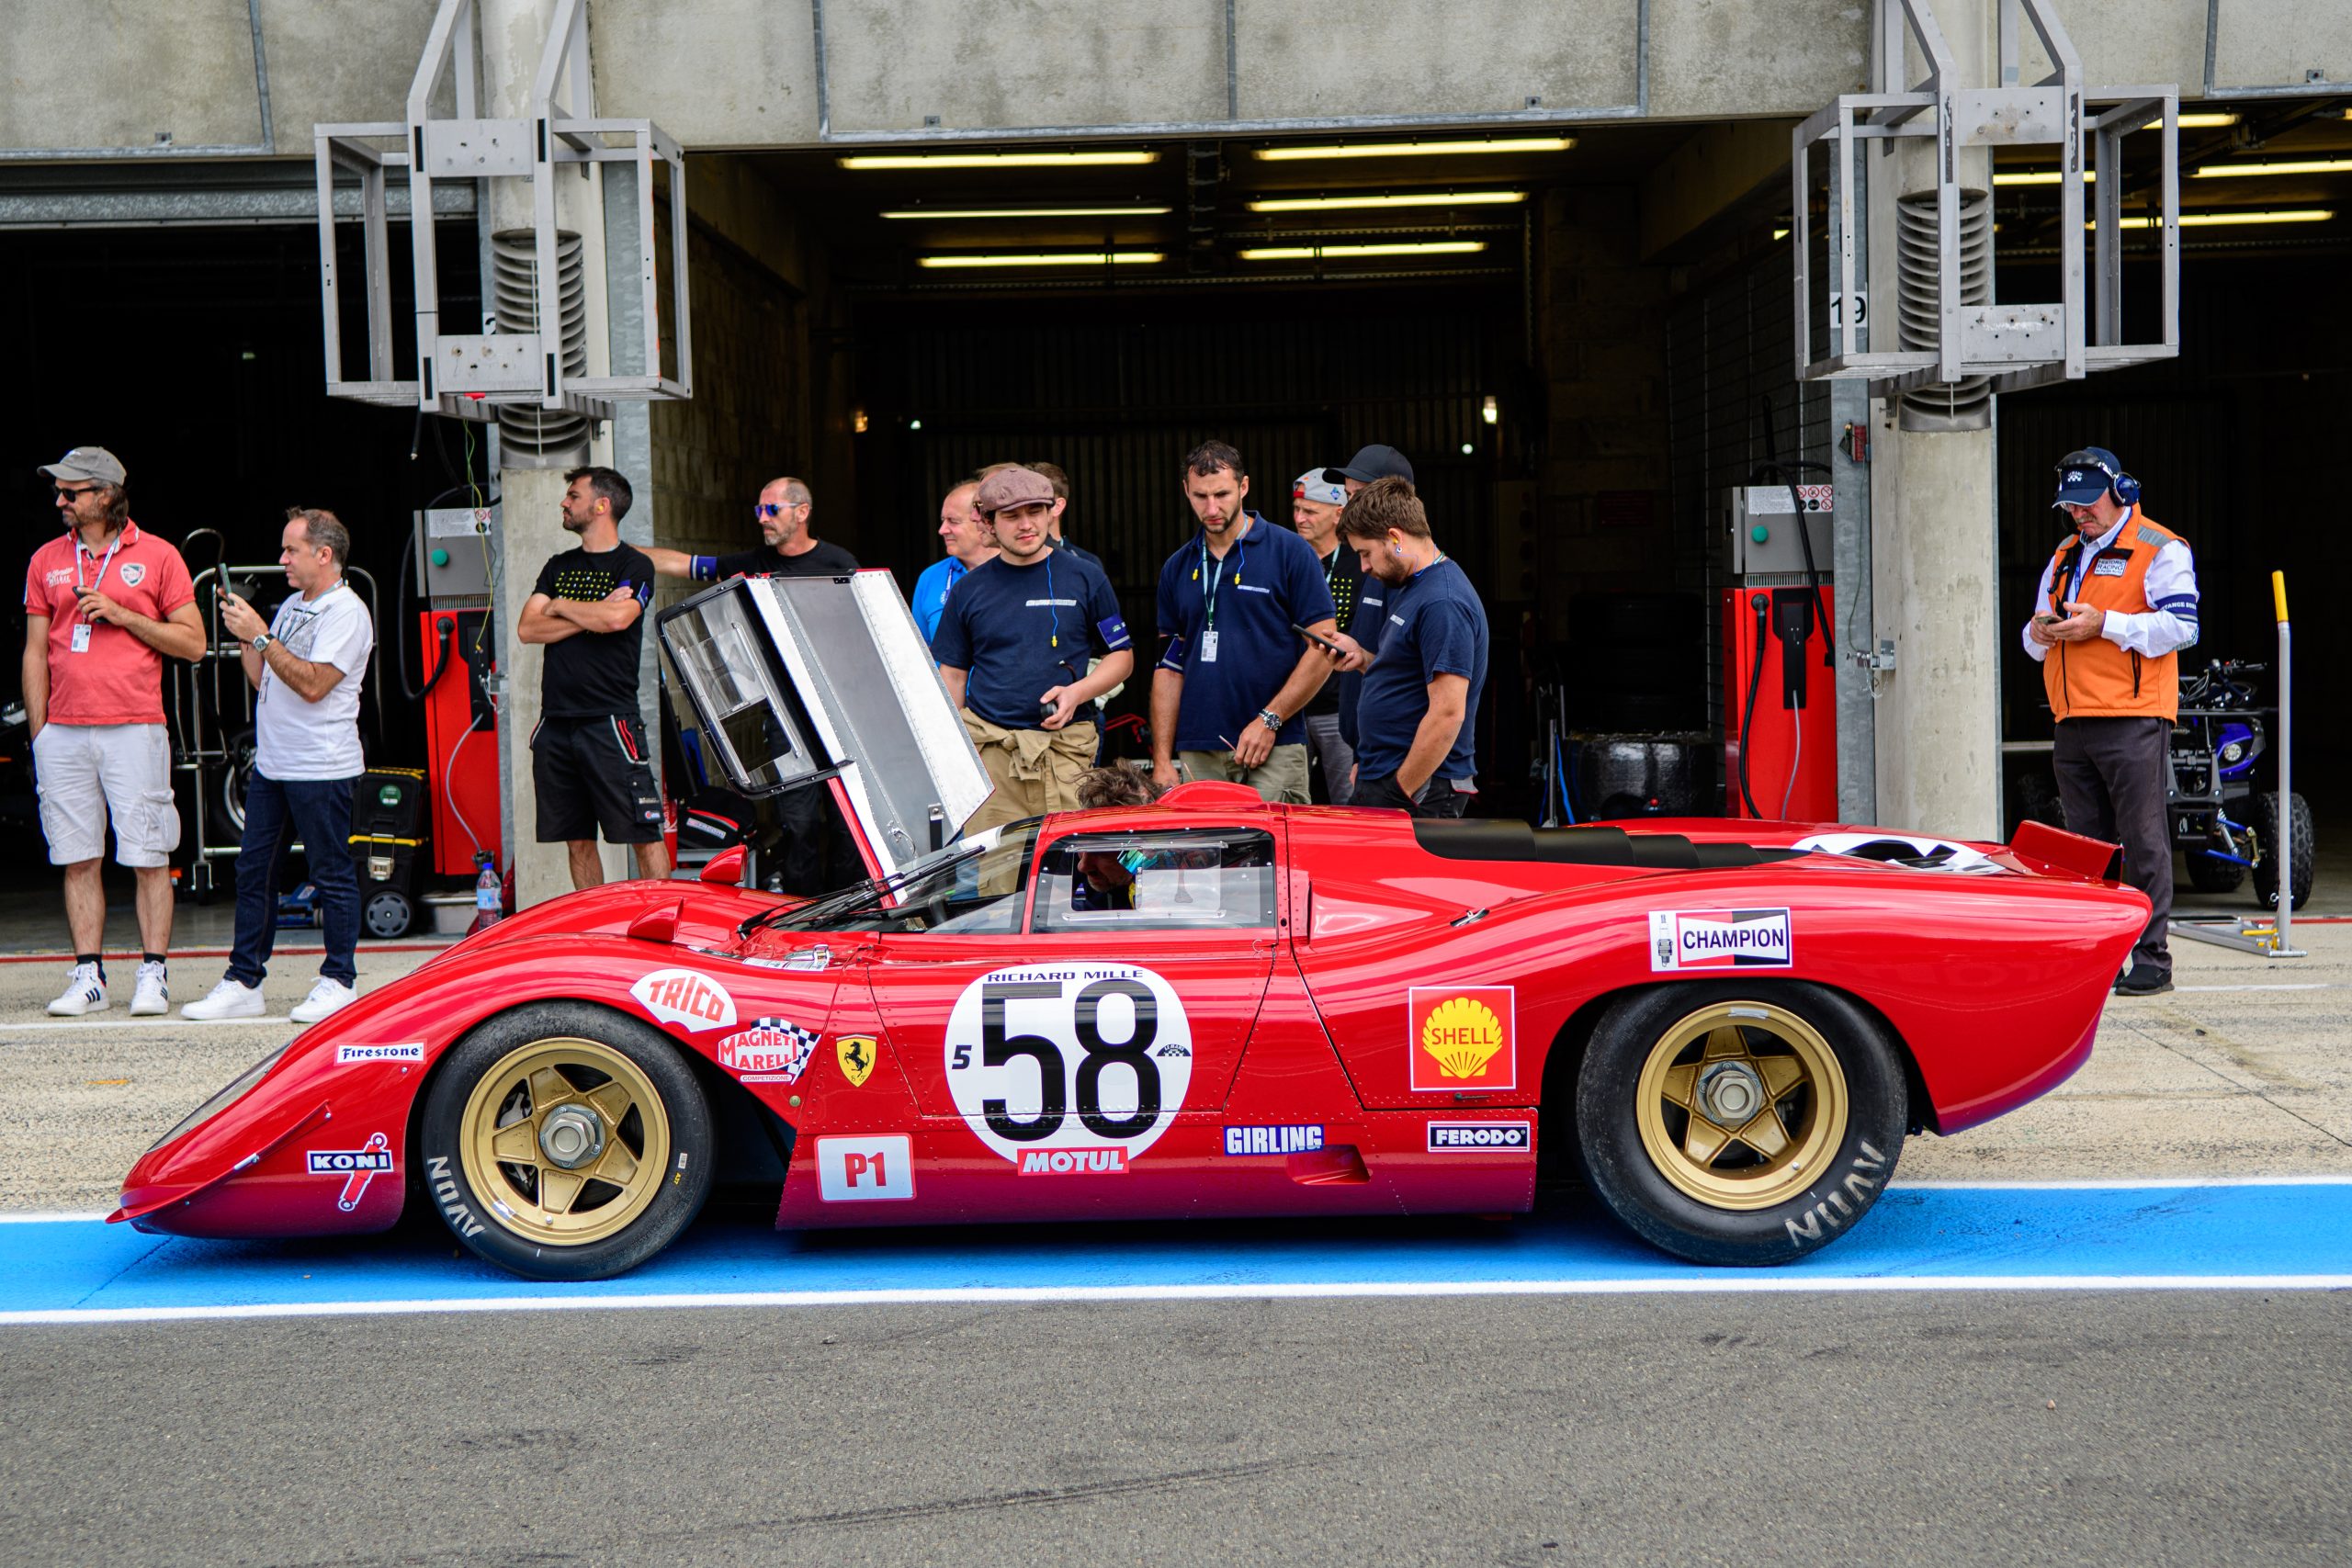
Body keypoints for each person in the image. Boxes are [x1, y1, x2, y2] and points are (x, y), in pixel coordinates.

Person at [23, 446, 204, 1016]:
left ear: (105, 494)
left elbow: (194, 644)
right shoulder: (45, 559)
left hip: (134, 726)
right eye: (59, 492)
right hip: (65, 732)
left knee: (149, 852)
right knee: (77, 855)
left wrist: (124, 614)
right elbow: (34, 651)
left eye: (71, 492)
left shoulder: (158, 556)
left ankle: (153, 974)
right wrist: (39, 732)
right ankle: (89, 976)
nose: (60, 501)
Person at [184, 509, 376, 1022]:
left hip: (324, 766)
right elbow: (266, 680)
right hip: (274, 763)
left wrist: (263, 636)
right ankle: (244, 980)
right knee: (252, 871)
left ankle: (339, 979)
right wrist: (249, 637)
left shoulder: (348, 612)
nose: (282, 559)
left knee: (331, 873)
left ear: (324, 555)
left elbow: (313, 685)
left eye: (291, 550)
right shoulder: (293, 603)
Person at [2023, 446, 2199, 997]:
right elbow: (2030, 644)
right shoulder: (2064, 555)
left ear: (2121, 492)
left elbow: (2182, 628)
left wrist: (2105, 625)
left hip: (2132, 717)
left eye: (2087, 503)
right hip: (2071, 720)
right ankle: (2095, 959)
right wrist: (2041, 632)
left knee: (2143, 840)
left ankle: (2151, 960)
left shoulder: (2160, 547)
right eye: (2070, 507)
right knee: (2084, 849)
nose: (2079, 514)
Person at [933, 466, 1134, 834]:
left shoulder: (1085, 576)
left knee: (1068, 869)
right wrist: (957, 752)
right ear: (989, 523)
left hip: (1066, 754)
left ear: (1050, 511)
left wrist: (1078, 692)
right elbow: (953, 673)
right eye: (1012, 516)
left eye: (1035, 512)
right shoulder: (968, 590)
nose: (1026, 525)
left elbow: (1121, 657)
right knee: (998, 878)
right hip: (992, 753)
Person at [1149, 442, 1338, 803]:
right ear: (1186, 491)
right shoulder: (1177, 566)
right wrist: (1162, 758)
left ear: (1244, 487)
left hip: (1275, 743)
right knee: (1204, 856)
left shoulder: (1290, 551)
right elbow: (1168, 667)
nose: (1212, 508)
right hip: (1199, 748)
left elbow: (1323, 648)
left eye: (1222, 494)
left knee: (1275, 855)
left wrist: (1271, 719)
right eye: (1201, 496)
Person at [518, 467, 669, 890]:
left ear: (601, 506)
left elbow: (620, 618)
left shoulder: (634, 565)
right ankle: (597, 930)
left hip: (611, 722)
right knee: (577, 840)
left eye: (573, 495)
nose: (564, 503)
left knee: (641, 832)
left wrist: (560, 607)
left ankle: (663, 919)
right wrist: (593, 611)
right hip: (556, 724)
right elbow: (528, 629)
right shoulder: (559, 565)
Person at [1325, 477, 1488, 818]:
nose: (1364, 567)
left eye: (1365, 553)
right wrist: (1363, 658)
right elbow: (1410, 674)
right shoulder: (1414, 587)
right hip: (1389, 776)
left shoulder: (1443, 601)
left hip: (1420, 790)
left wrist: (1399, 790)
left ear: (1395, 538)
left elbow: (1448, 713)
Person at [1291, 468, 1369, 805]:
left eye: (1310, 511)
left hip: (1339, 709)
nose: (1299, 518)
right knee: (1286, 805)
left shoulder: (1362, 560)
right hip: (1291, 707)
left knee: (1349, 805)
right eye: (1296, 510)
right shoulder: (1288, 558)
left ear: (1339, 513)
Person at [647, 477, 859, 582]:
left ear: (802, 512)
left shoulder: (840, 563)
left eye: (773, 509)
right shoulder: (751, 563)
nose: (763, 519)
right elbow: (685, 564)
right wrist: (619, 551)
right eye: (760, 510)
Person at [911, 479, 991, 647]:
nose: (942, 530)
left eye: (953, 521)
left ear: (984, 521)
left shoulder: (1016, 570)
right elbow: (920, 651)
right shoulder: (930, 577)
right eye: (943, 520)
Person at [1029, 461, 1105, 572]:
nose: (1023, 506)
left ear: (1057, 506)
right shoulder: (1003, 558)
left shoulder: (1087, 563)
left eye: (1036, 502)